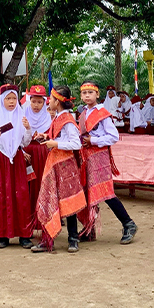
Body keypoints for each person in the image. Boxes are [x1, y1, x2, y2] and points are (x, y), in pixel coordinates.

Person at [77, 81, 138, 244]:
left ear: (97, 94)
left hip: (99, 156)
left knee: (105, 193)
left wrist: (94, 140)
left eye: (91, 92)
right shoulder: (83, 113)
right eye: (84, 93)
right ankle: (89, 228)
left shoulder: (102, 113)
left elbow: (113, 136)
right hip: (86, 157)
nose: (87, 95)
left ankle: (128, 224)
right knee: (87, 193)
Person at [30, 85, 87, 253]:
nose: (49, 101)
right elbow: (60, 137)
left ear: (59, 101)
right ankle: (54, 239)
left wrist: (55, 143)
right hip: (56, 163)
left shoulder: (67, 119)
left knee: (66, 201)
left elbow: (76, 143)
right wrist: (47, 137)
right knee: (52, 199)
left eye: (52, 99)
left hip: (64, 164)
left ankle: (72, 238)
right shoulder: (59, 118)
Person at [0, 84, 34, 249]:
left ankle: (24, 235)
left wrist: (28, 128)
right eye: (8, 98)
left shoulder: (22, 116)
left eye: (14, 98)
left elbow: (26, 142)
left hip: (17, 159)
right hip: (1, 160)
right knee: (1, 194)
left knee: (21, 195)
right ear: (2, 100)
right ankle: (3, 235)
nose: (12, 102)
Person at [22, 84, 52, 223]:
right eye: (33, 101)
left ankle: (42, 217)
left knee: (41, 183)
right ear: (29, 100)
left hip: (41, 153)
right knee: (26, 185)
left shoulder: (48, 117)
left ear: (45, 102)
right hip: (25, 153)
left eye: (40, 102)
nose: (36, 105)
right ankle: (26, 217)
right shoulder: (22, 115)